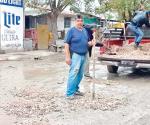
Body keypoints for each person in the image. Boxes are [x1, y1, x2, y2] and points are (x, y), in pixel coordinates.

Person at [64, 15, 95, 99]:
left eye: (81, 21)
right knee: (73, 74)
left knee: (80, 74)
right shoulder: (71, 31)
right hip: (75, 55)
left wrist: (90, 43)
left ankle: (75, 89)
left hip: (84, 54)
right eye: (78, 21)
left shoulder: (84, 30)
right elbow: (66, 44)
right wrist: (67, 57)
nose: (80, 22)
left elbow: (86, 42)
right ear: (75, 22)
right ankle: (69, 93)